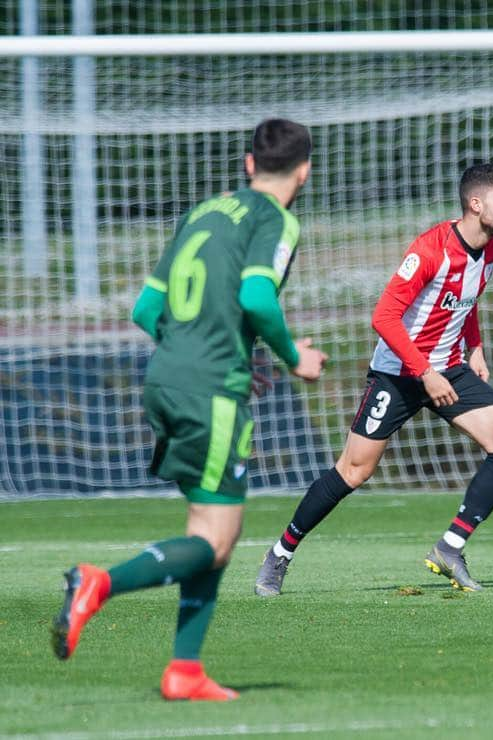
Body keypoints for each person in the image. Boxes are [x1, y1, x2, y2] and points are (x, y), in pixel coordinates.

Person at [50, 118, 327, 701]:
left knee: (211, 529)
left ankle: (185, 671)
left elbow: (146, 308)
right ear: (304, 171)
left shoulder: (202, 211)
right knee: (217, 538)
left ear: (249, 164)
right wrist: (290, 355)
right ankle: (97, 583)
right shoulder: (275, 218)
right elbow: (256, 295)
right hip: (210, 389)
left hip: (166, 377)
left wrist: (193, 351)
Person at [254, 162, 493, 596]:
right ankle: (279, 555)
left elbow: (467, 299)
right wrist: (424, 372)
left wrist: (474, 347)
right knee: (353, 471)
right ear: (476, 204)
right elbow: (383, 316)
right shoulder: (430, 250)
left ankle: (450, 547)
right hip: (399, 373)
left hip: (449, 369)